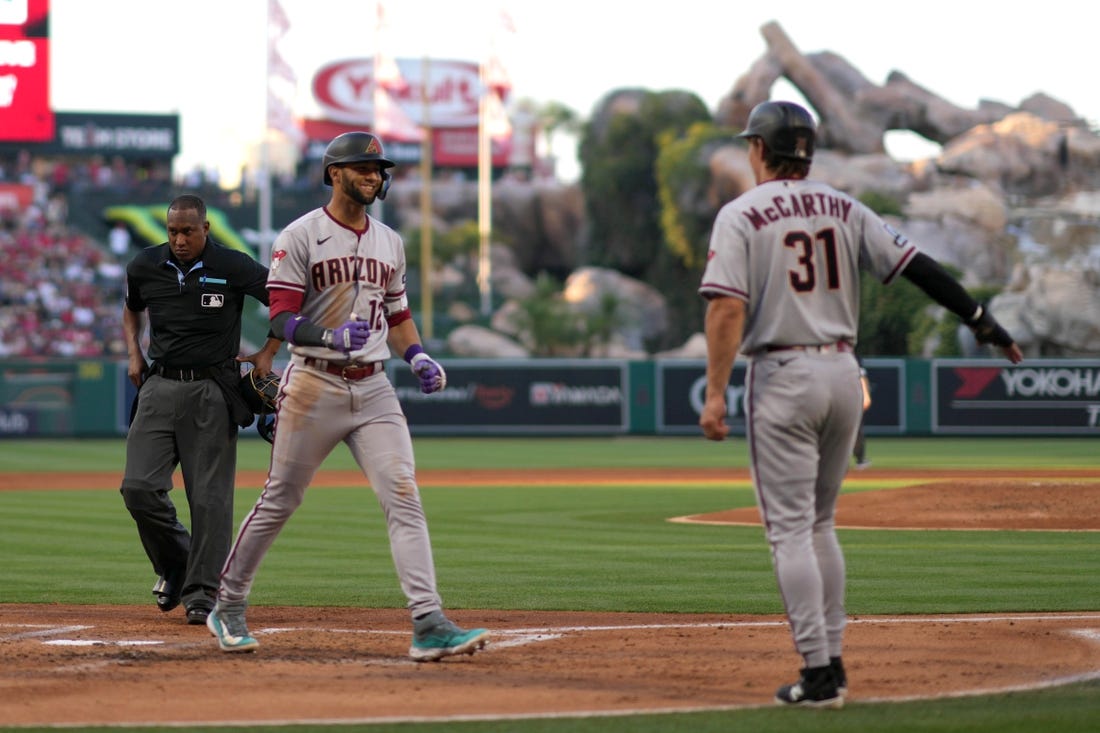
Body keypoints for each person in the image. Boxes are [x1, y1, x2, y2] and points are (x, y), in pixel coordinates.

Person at [697, 101, 1023, 708]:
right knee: (821, 524)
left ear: (761, 151)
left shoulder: (741, 213)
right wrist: (983, 320)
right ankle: (834, 663)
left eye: (751, 145)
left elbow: (725, 307)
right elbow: (919, 267)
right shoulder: (844, 206)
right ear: (809, 153)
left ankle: (819, 674)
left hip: (785, 373)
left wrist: (715, 393)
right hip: (844, 372)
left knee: (789, 530)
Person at [207, 131, 490, 662]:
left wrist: (418, 356)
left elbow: (398, 314)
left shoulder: (390, 241)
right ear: (334, 172)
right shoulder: (300, 235)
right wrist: (330, 337)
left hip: (375, 387)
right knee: (281, 499)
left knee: (404, 495)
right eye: (363, 166)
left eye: (379, 168)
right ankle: (228, 604)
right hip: (315, 382)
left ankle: (428, 621)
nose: (374, 175)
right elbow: (283, 318)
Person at [121, 194, 283, 625]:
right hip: (158, 384)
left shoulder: (233, 265)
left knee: (209, 500)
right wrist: (134, 354)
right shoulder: (144, 265)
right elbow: (132, 309)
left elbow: (286, 301)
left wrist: (268, 351)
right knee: (138, 487)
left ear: (205, 229)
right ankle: (179, 562)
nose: (178, 239)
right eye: (172, 231)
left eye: (187, 231)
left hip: (213, 389)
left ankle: (201, 592)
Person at [852, 358, 872, 469]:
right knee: (856, 430)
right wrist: (866, 395)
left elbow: (861, 374)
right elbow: (861, 376)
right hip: (850, 397)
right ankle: (860, 460)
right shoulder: (849, 354)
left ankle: (860, 459)